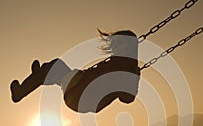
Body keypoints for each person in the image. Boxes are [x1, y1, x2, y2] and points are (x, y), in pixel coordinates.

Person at [10, 30, 140, 113]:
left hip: (80, 93)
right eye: (114, 43)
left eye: (118, 43)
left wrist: (133, 79)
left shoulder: (125, 68)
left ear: (129, 46)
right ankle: (40, 76)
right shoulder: (123, 64)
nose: (114, 46)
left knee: (55, 66)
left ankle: (31, 83)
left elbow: (128, 98)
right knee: (55, 70)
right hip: (80, 90)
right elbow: (126, 97)